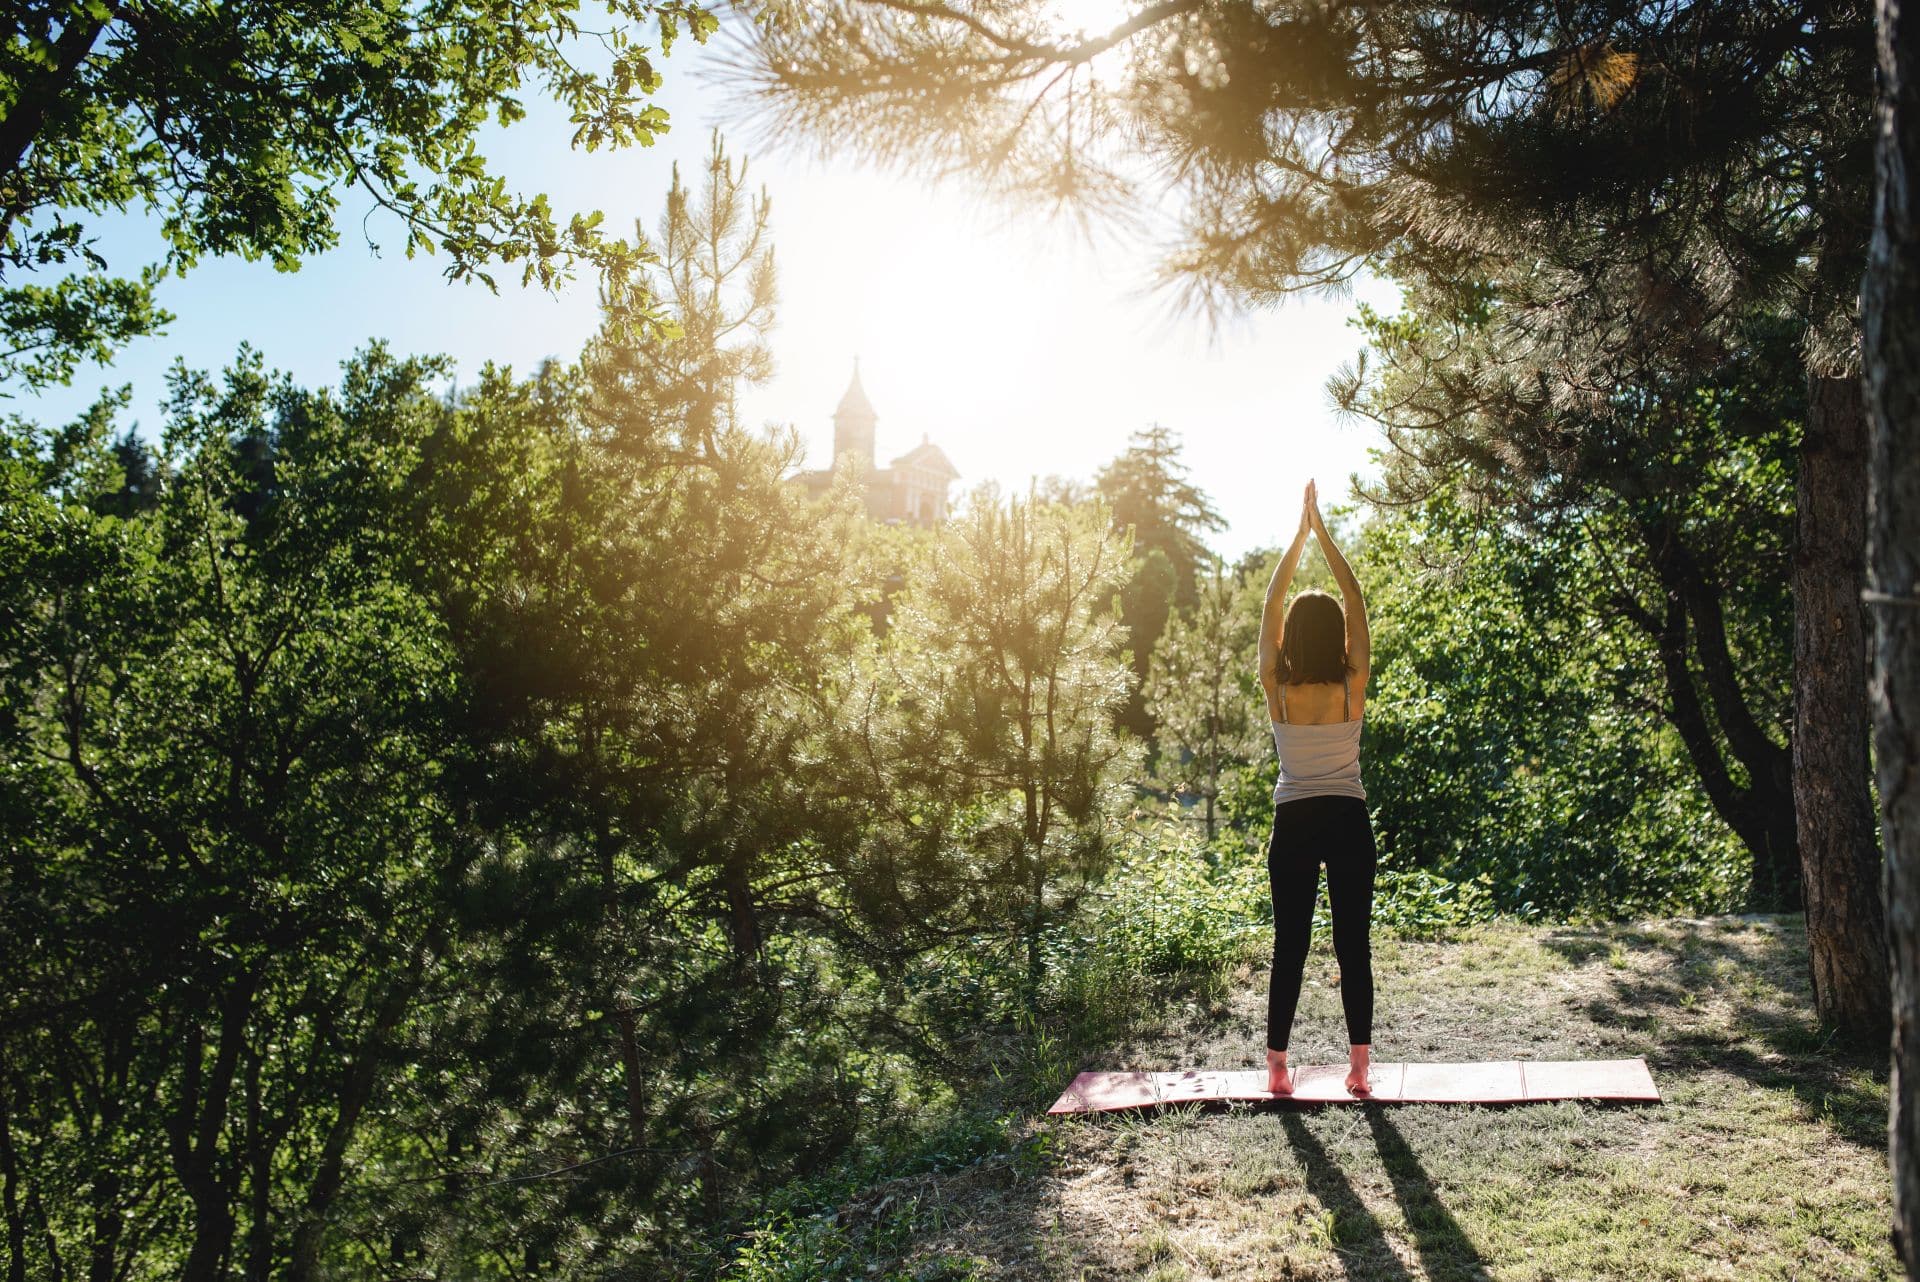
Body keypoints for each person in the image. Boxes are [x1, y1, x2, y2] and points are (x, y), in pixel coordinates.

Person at [1255, 478, 1377, 1096]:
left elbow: (1273, 603)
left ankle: (1278, 1068)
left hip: (1295, 820)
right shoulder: (1353, 684)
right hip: (1348, 817)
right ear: (1337, 638)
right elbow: (1352, 595)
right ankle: (1358, 1069)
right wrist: (1324, 534)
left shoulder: (1277, 687)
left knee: (1291, 944)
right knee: (1353, 943)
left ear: (1291, 641)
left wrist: (1297, 538)